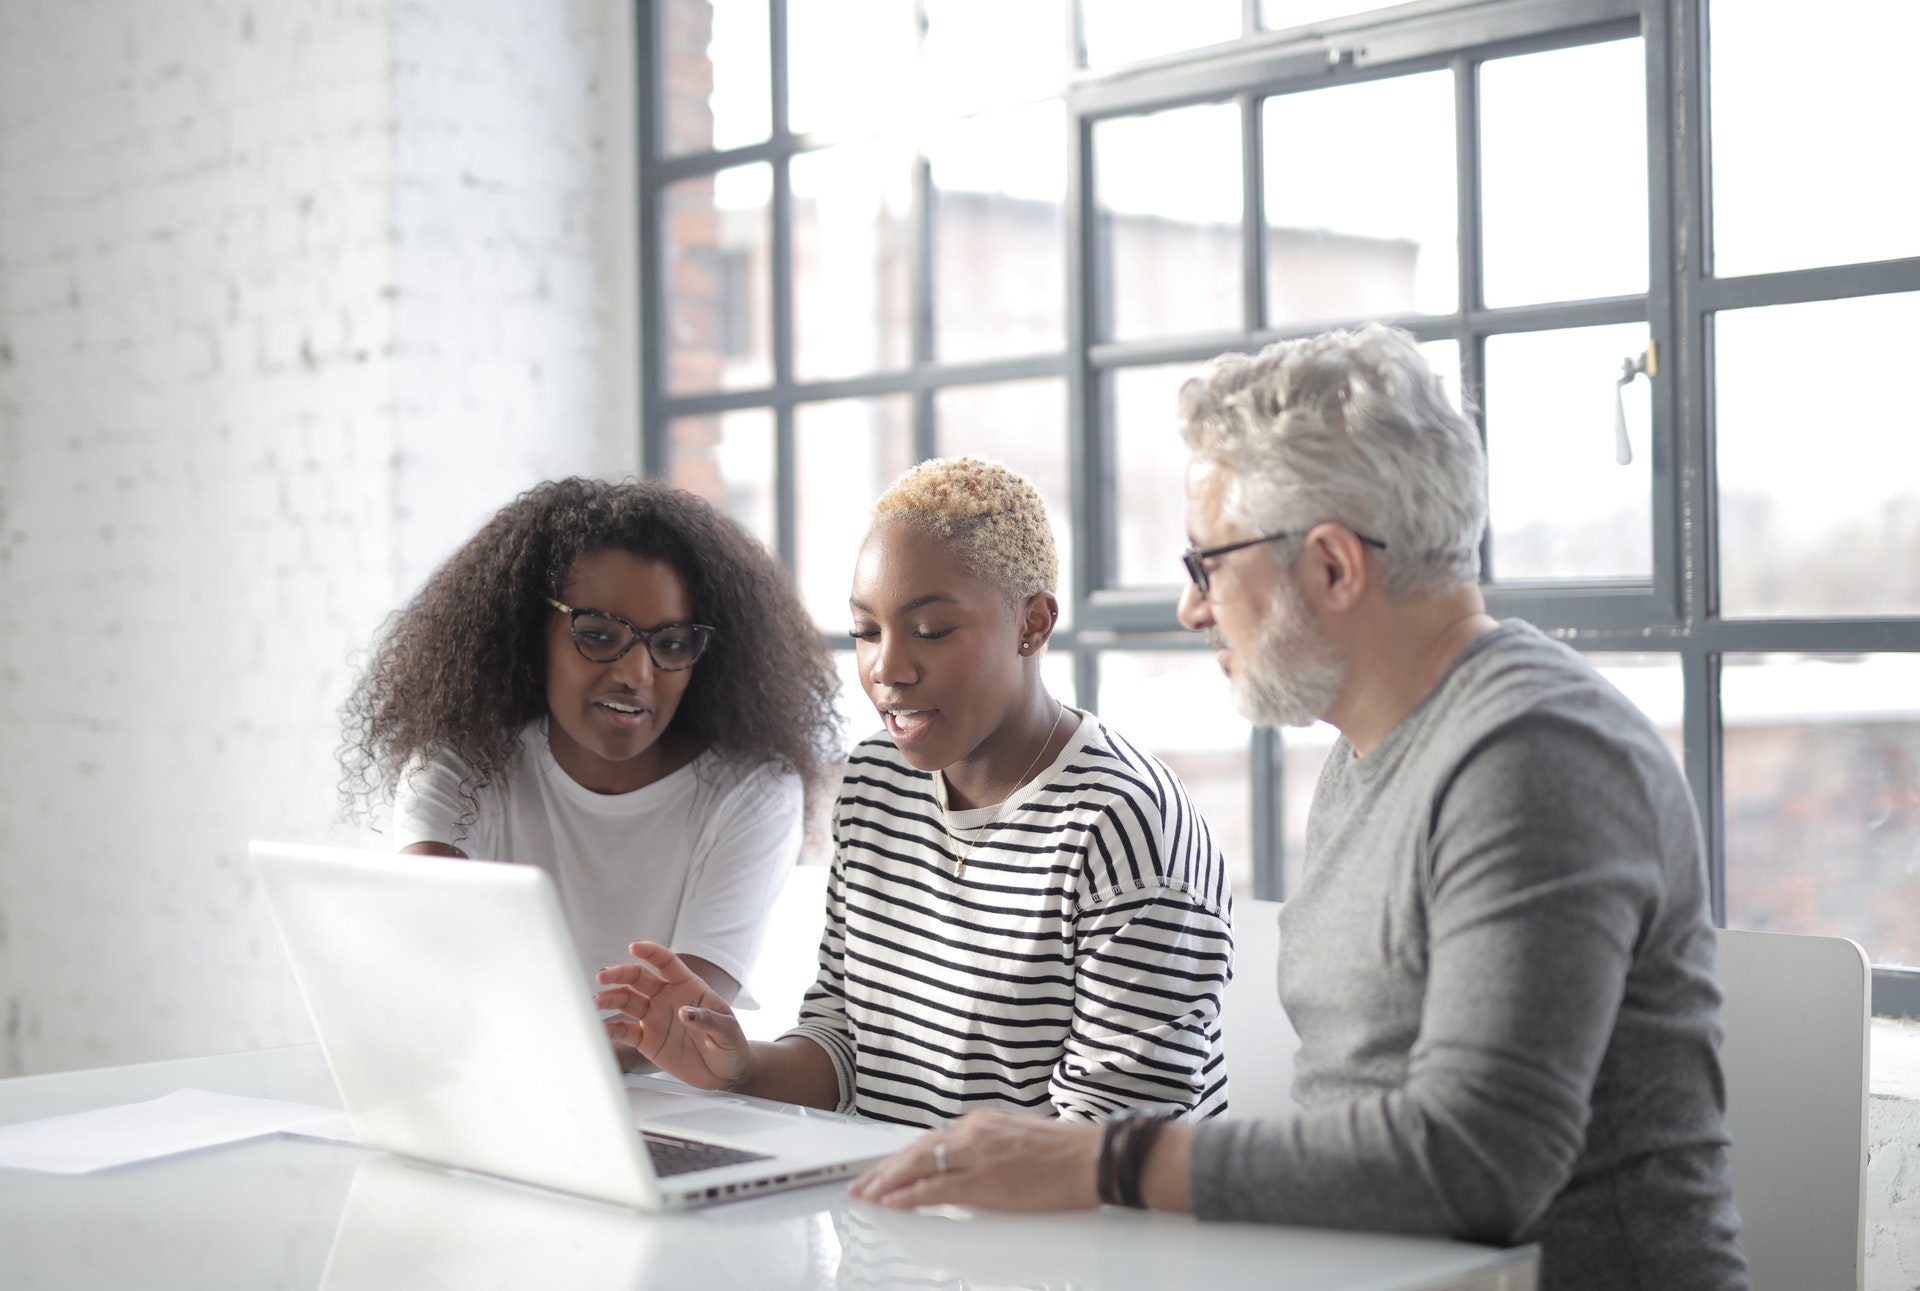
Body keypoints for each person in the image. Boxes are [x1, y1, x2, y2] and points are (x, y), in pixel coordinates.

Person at [849, 328, 1749, 1291]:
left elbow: (1477, 1161)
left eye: (1209, 566)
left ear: (1330, 566)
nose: (1193, 609)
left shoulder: (1537, 755)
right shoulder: (1368, 752)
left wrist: (1098, 1159)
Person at [595, 457, 1234, 1125]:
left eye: (931, 631)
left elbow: (1115, 1148)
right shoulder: (876, 780)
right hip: (889, 1213)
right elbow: (845, 1048)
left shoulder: (1124, 825)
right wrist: (741, 1066)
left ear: (1034, 624)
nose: (886, 668)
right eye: (866, 631)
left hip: (1051, 1224)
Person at [339, 476, 841, 1012]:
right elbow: (430, 962)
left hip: (677, 1096)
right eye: (599, 635)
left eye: (671, 644)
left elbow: (678, 1020)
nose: (636, 673)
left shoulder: (752, 790)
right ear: (532, 638)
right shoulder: (459, 770)